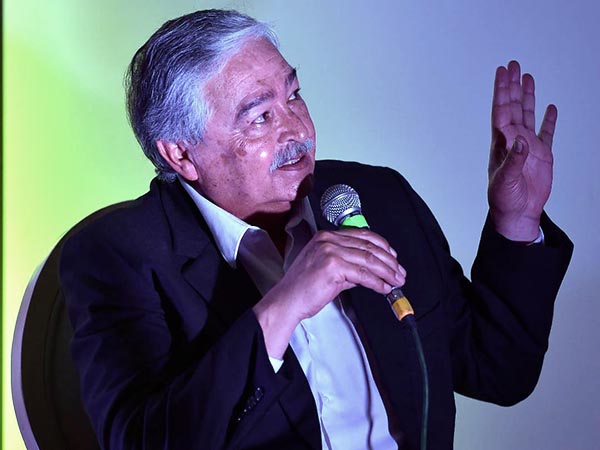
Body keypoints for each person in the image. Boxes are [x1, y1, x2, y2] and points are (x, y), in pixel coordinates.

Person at [59, 9, 573, 450]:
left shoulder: (377, 197)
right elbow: (143, 439)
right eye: (260, 117)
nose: (298, 130)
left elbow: (498, 371)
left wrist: (517, 222)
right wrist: (285, 304)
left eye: (294, 95)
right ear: (181, 154)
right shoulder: (118, 254)